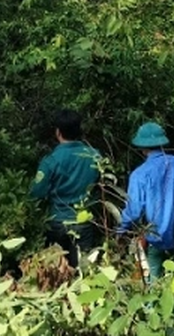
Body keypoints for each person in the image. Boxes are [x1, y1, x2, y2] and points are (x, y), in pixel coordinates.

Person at [117, 122, 174, 284]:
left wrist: (121, 230)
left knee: (153, 285)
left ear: (142, 147)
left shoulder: (140, 174)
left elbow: (134, 211)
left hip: (154, 238)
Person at [29, 109, 102, 269]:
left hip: (57, 222)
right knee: (83, 272)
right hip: (83, 221)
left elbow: (36, 193)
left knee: (56, 272)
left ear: (58, 132)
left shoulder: (51, 161)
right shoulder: (95, 157)